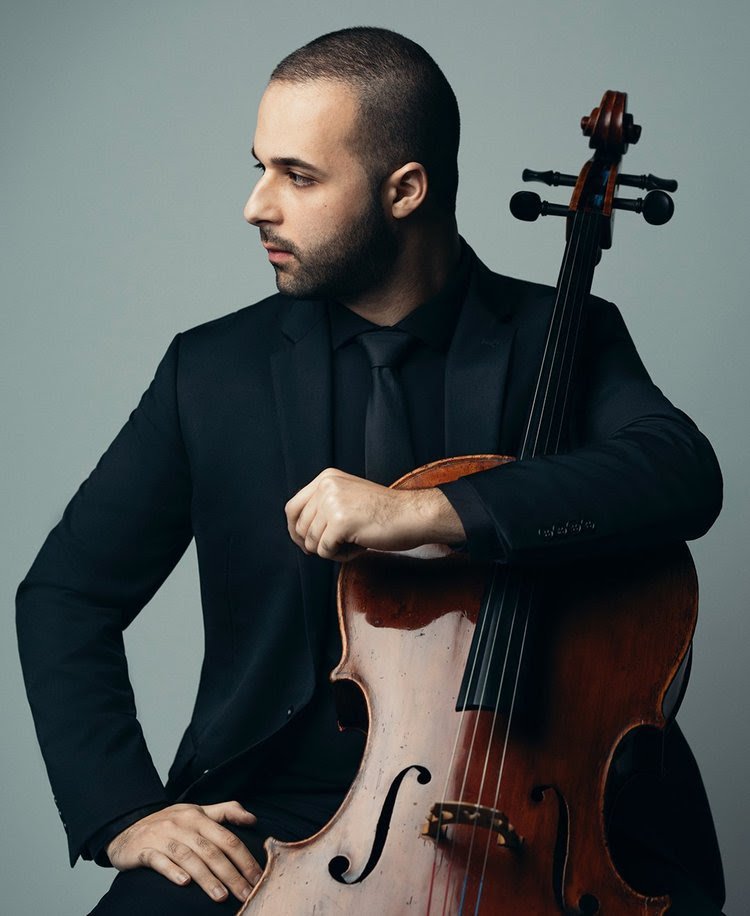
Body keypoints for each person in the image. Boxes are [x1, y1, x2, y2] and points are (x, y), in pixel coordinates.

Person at [16, 26, 725, 915]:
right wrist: (122, 810)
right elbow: (64, 594)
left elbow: (680, 474)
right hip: (278, 810)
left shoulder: (561, 337)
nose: (255, 205)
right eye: (259, 166)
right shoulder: (211, 372)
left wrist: (429, 514)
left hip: (547, 807)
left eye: (298, 176)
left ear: (405, 190)